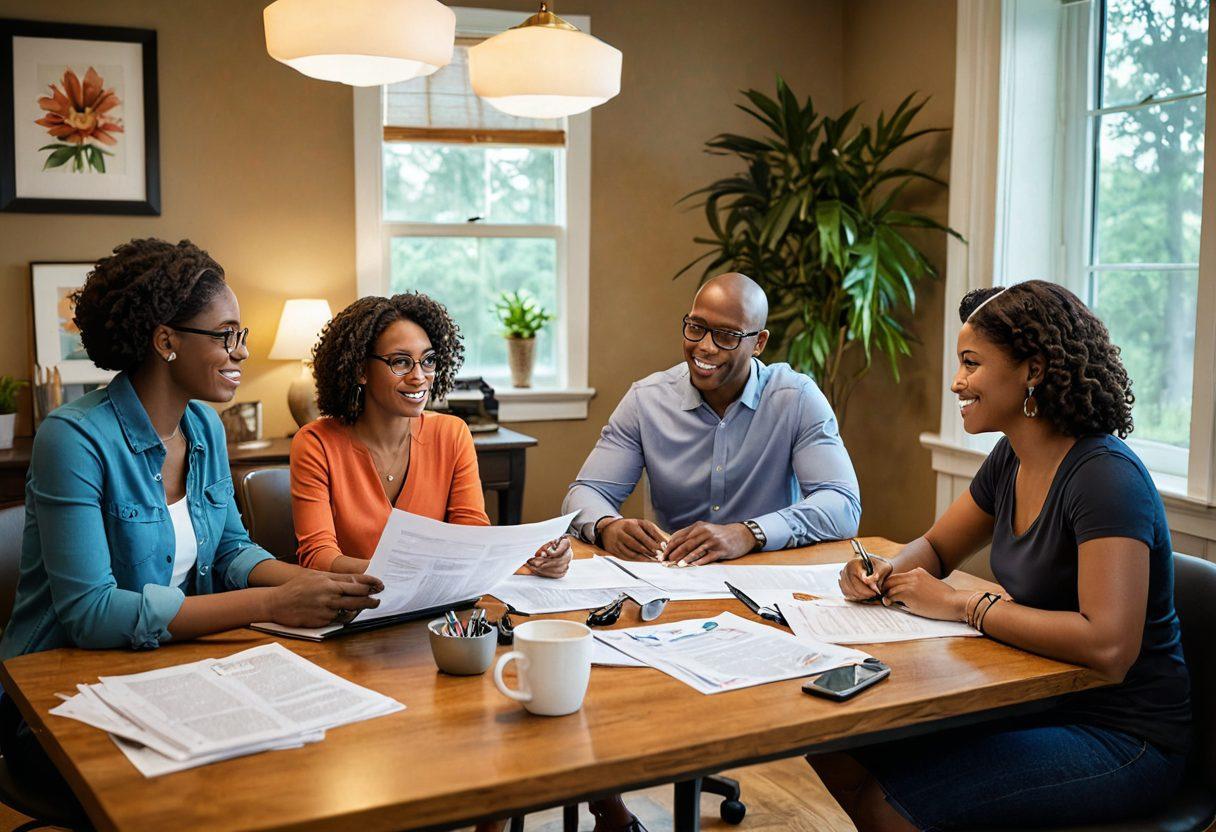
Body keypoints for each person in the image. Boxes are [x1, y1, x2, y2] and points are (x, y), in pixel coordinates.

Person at [0, 239, 383, 818]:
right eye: (227, 335)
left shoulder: (203, 426)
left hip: (171, 674)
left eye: (241, 335)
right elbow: (93, 613)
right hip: (57, 700)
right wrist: (276, 600)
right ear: (166, 341)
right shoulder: (73, 439)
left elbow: (230, 550)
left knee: (314, 757)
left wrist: (326, 582)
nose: (241, 351)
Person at [812, 280, 1191, 831]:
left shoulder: (1106, 476)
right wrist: (886, 567)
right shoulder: (1011, 457)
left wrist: (967, 605)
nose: (956, 382)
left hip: (1123, 735)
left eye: (971, 363)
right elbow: (939, 547)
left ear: (1032, 371)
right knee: (835, 741)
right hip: (1036, 700)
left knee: (888, 807)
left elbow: (1109, 647)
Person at [563, 272, 860, 566]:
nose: (705, 346)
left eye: (726, 335)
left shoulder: (796, 398)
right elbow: (586, 492)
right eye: (696, 327)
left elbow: (842, 505)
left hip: (767, 577)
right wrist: (606, 526)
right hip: (673, 577)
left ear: (759, 343)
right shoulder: (646, 400)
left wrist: (749, 533)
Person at [291, 293, 570, 577]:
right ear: (360, 369)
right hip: (355, 608)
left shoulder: (451, 433)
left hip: (437, 603)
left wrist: (534, 558)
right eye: (400, 362)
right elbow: (317, 557)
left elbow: (471, 536)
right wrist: (401, 574)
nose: (419, 376)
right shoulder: (316, 443)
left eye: (428, 360)